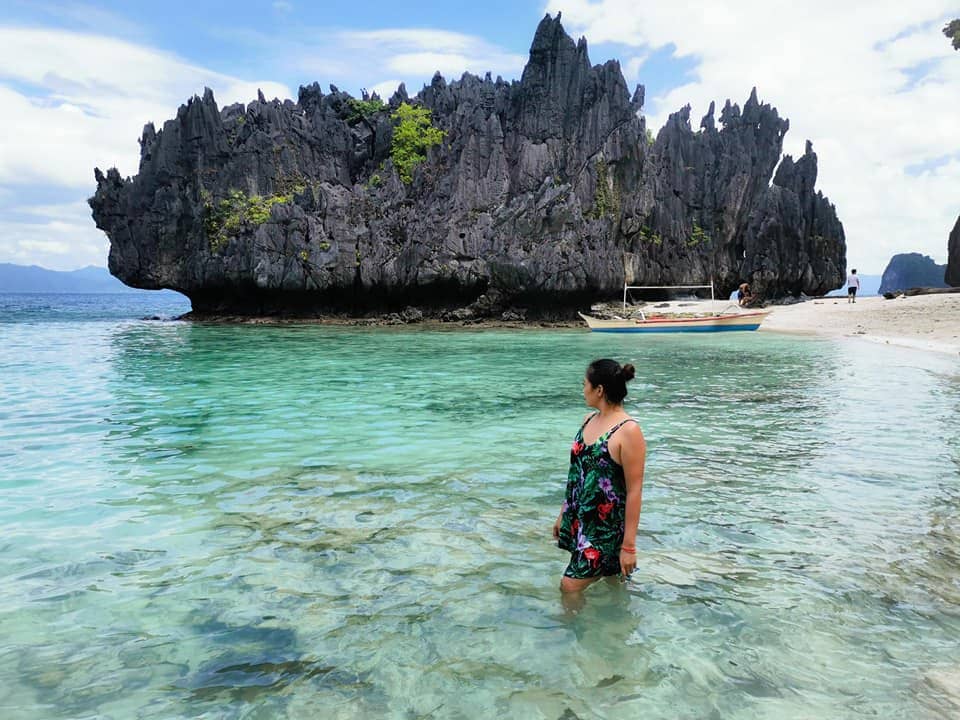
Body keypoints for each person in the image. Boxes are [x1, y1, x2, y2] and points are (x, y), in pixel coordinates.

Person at [553, 358, 647, 603]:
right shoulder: (588, 420)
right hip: (582, 518)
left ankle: (568, 634)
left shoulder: (628, 430)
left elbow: (635, 490)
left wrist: (629, 547)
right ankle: (614, 625)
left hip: (606, 528)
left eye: (584, 384)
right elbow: (577, 474)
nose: (582, 389)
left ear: (599, 390)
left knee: (569, 585)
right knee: (612, 578)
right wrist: (564, 512)